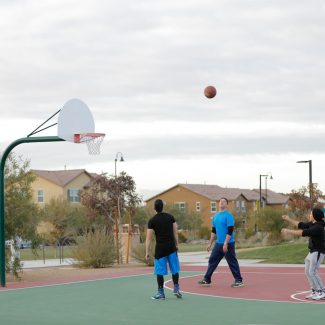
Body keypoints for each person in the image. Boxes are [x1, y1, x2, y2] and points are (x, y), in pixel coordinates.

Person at [198, 197, 244, 287]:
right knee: (212, 260)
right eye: (220, 201)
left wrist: (225, 243)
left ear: (227, 204)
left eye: (224, 201)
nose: (221, 202)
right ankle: (207, 279)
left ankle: (239, 280)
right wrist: (210, 243)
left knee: (231, 262)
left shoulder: (229, 216)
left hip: (228, 243)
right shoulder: (215, 216)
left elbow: (230, 230)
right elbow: (213, 231)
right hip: (218, 243)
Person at [282, 208, 325, 300]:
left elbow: (304, 232)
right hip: (313, 250)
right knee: (307, 271)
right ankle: (315, 290)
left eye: (311, 214)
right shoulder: (313, 224)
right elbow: (301, 225)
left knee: (312, 271)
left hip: (318, 251)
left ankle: (322, 291)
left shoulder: (318, 227)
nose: (309, 215)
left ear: (315, 216)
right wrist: (288, 219)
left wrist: (288, 231)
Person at [145, 199, 182, 300]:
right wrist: (176, 245)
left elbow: (148, 238)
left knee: (159, 272)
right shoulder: (170, 217)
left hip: (160, 249)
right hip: (171, 247)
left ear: (154, 208)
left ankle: (161, 293)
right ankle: (176, 288)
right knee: (174, 269)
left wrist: (147, 252)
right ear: (162, 207)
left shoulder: (152, 221)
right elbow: (175, 232)